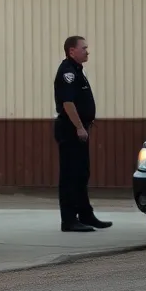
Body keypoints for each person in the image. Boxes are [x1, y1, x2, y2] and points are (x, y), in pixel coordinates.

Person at [54, 35, 112, 233]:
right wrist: (79, 127)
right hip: (70, 130)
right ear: (72, 51)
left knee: (81, 173)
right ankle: (69, 220)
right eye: (84, 48)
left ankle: (86, 214)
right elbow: (68, 103)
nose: (87, 51)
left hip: (80, 129)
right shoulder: (67, 72)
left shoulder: (78, 71)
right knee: (70, 175)